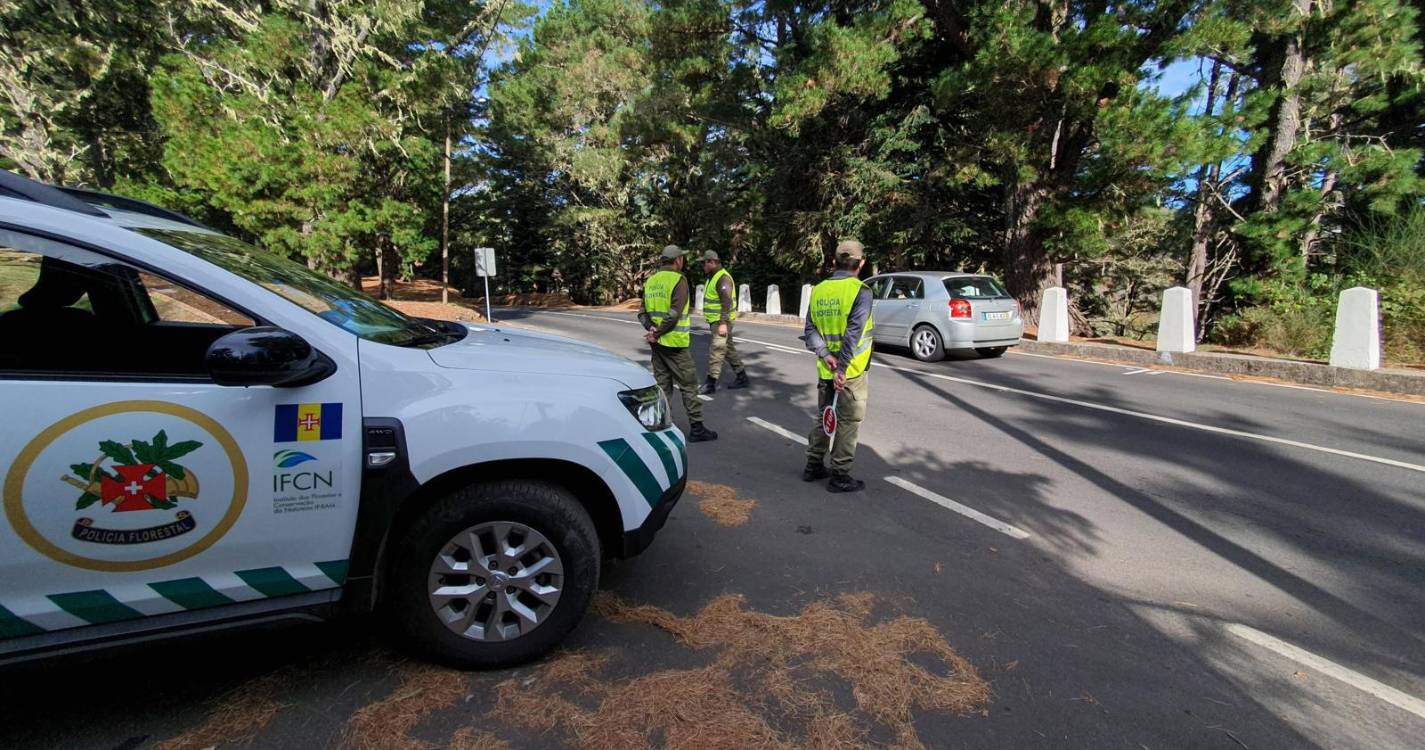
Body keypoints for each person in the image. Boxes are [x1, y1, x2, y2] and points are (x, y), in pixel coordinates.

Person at [802, 239, 874, 492]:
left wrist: (824, 355)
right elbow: (853, 335)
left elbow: (809, 329)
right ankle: (840, 475)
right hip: (851, 372)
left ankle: (813, 465)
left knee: (824, 415)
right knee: (847, 421)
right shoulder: (861, 291)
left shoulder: (819, 290)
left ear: (835, 262)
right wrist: (842, 369)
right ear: (861, 263)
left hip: (825, 369)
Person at [640, 245, 718, 442]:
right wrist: (657, 332)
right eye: (682, 258)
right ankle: (697, 427)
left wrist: (651, 329)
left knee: (662, 385)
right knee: (689, 385)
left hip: (657, 344)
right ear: (677, 260)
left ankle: (661, 427)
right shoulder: (679, 279)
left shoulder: (651, 281)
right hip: (674, 343)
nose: (683, 261)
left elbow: (642, 313)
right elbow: (674, 313)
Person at [697, 250, 749, 395]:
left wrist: (723, 323)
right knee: (728, 350)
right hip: (716, 321)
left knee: (717, 349)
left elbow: (726, 301)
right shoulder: (712, 277)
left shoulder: (723, 278)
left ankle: (710, 383)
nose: (703, 266)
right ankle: (742, 377)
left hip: (721, 321)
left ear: (712, 262)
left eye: (704, 263)